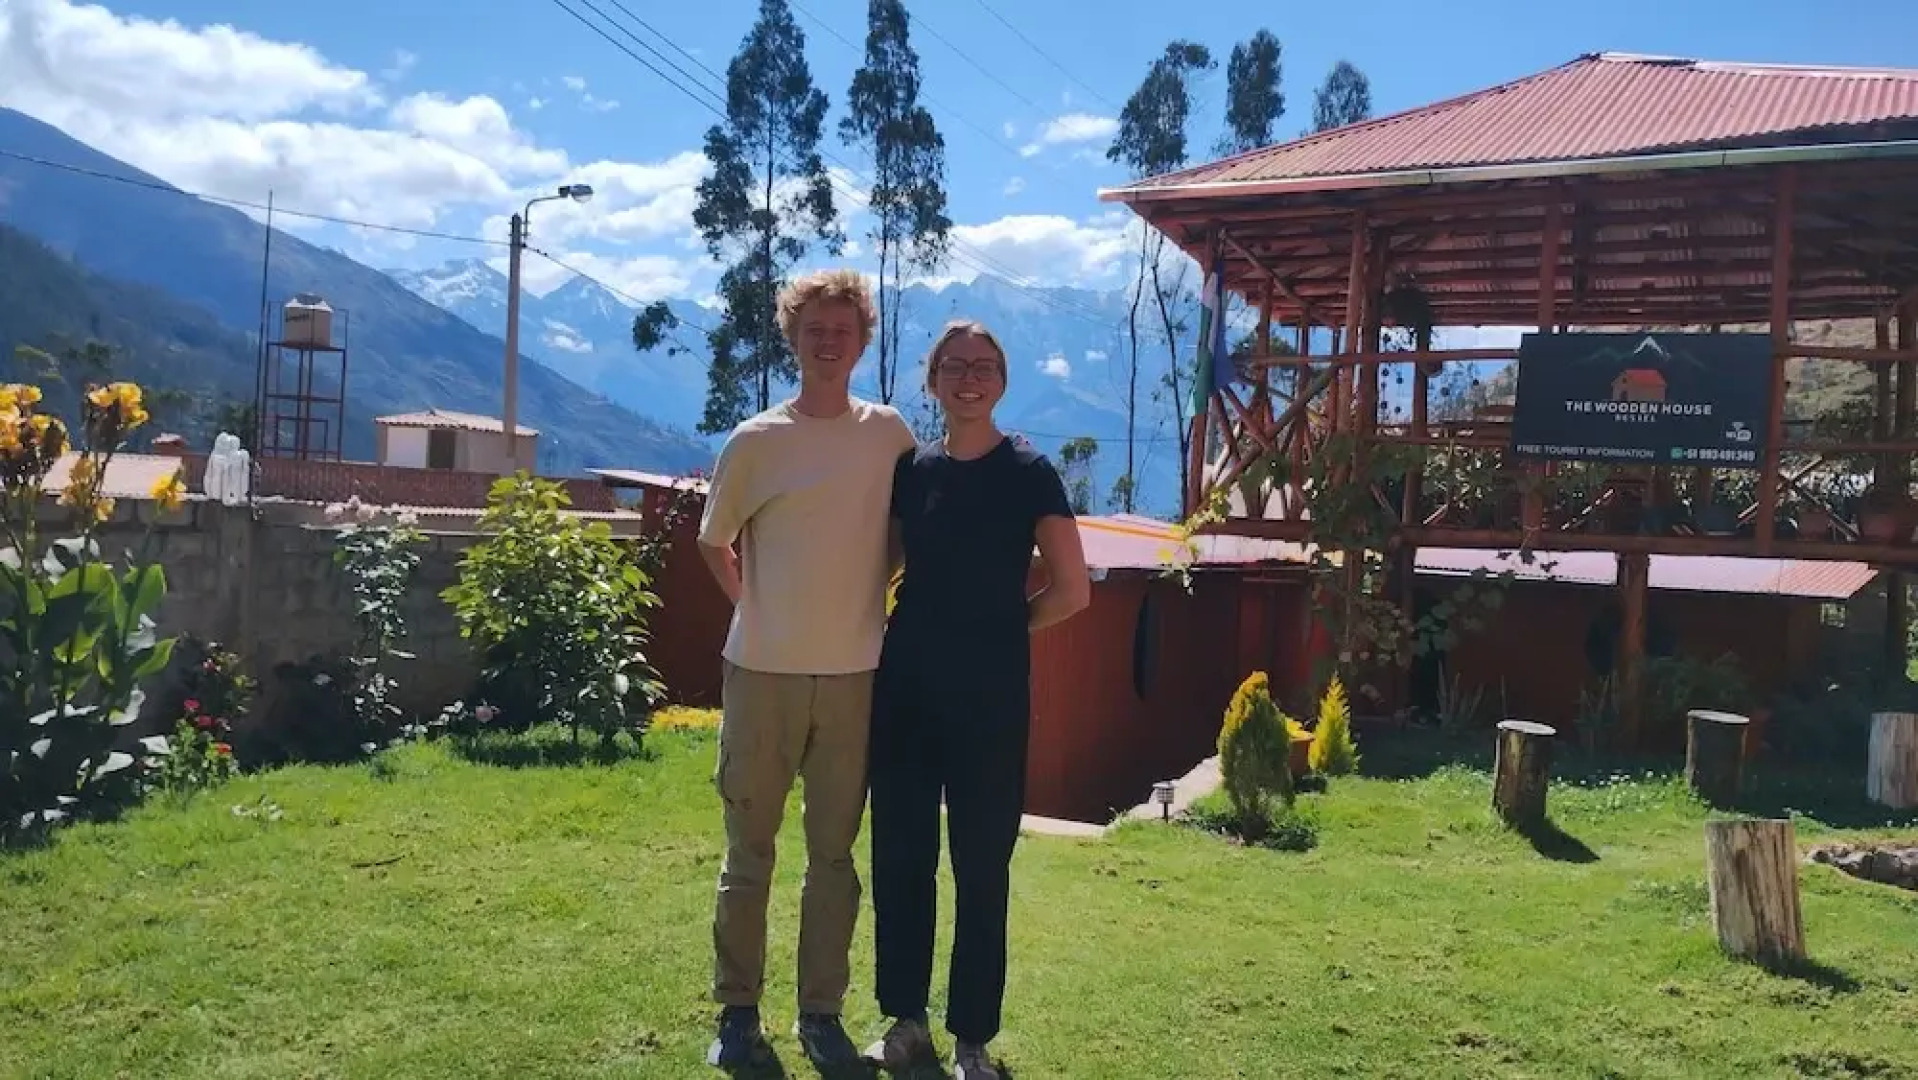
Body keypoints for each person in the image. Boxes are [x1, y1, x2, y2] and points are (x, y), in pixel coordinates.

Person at [695, 268, 917, 1071]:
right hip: (761, 674)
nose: (829, 341)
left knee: (834, 859)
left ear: (863, 340)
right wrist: (757, 609)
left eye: (843, 329)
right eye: (814, 329)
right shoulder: (757, 441)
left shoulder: (889, 434)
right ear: (793, 338)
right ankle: (737, 1013)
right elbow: (712, 541)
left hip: (856, 675)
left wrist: (871, 589)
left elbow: (903, 533)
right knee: (749, 852)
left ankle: (821, 1014)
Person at [862, 320, 1090, 1080]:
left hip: (990, 695)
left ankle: (971, 1042)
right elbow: (879, 565)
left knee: (981, 864)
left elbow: (1072, 588)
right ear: (932, 381)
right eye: (954, 365)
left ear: (1001, 380)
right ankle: (905, 1025)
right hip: (905, 688)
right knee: (901, 854)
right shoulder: (914, 471)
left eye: (984, 366)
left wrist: (1006, 627)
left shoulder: (1029, 471)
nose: (969, 377)